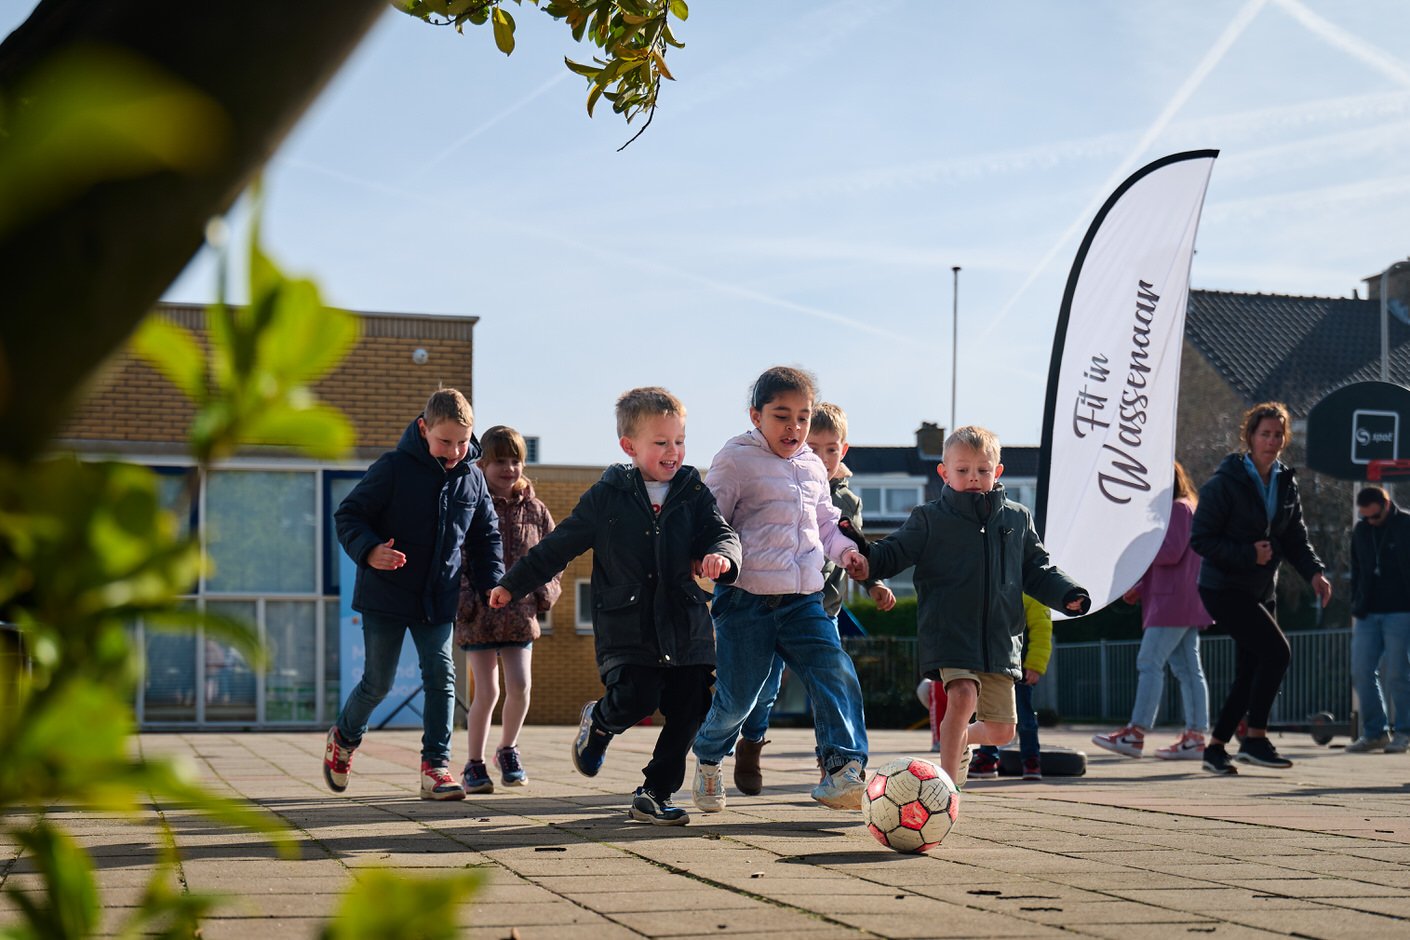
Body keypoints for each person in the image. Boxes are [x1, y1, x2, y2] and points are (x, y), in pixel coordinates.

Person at [489, 387, 740, 826]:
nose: (673, 451)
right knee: (636, 698)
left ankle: (655, 793)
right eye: (661, 442)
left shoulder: (693, 492)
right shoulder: (607, 496)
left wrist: (723, 556)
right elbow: (558, 546)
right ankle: (601, 722)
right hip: (629, 627)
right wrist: (513, 584)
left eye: (679, 441)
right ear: (629, 446)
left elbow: (721, 533)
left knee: (691, 708)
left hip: (685, 624)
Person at [859, 425, 1090, 789]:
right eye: (963, 470)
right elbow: (893, 551)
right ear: (944, 472)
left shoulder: (1017, 518)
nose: (973, 477)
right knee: (962, 695)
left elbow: (1037, 569)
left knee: (1002, 732)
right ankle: (946, 791)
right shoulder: (930, 518)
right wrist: (864, 556)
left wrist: (1067, 593)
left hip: (1000, 640)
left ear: (997, 472)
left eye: (983, 470)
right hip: (950, 633)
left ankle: (961, 739)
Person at [691, 367, 872, 813]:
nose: (794, 428)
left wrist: (847, 552)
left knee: (835, 670)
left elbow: (826, 524)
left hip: (804, 600)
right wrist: (710, 556)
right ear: (756, 416)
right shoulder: (735, 459)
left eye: (803, 418)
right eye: (781, 416)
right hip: (745, 599)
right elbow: (709, 520)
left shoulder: (811, 465)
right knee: (740, 699)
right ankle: (710, 756)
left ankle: (843, 769)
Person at [324, 388, 504, 801]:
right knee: (378, 682)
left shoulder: (473, 478)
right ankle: (344, 739)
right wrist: (370, 550)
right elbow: (349, 515)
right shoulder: (393, 468)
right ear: (423, 429)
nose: (455, 451)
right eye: (445, 441)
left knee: (442, 676)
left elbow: (486, 537)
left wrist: (492, 582)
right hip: (386, 594)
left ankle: (435, 767)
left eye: (463, 442)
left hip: (437, 596)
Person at [732, 401, 896, 797]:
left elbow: (856, 547)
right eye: (814, 447)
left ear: (844, 450)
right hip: (775, 602)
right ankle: (751, 742)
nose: (823, 458)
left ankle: (835, 766)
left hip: (824, 607)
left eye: (831, 449)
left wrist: (872, 581)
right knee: (764, 687)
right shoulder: (783, 481)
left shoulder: (848, 502)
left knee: (832, 681)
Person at [1190, 401, 1332, 775]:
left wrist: (1314, 573)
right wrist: (1248, 553)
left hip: (1261, 589)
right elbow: (1201, 539)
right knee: (1277, 653)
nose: (1272, 441)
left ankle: (1216, 749)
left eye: (1278, 434)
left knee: (1251, 667)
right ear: (1250, 436)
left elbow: (1295, 537)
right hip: (1223, 588)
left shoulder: (1285, 482)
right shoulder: (1225, 483)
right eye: (1265, 433)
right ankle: (1254, 738)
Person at [455, 425, 561, 794]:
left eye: (515, 461)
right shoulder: (470, 504)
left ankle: (508, 749)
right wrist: (465, 600)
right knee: (487, 692)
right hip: (479, 615)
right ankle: (474, 763)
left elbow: (553, 555)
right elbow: (458, 557)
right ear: (482, 464)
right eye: (499, 461)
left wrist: (544, 592)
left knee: (520, 685)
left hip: (520, 614)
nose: (508, 469)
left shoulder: (535, 509)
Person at [1091, 461, 1213, 761]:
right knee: (1188, 670)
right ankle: (1195, 738)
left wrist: (1136, 550)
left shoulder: (1178, 509)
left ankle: (1136, 733)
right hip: (1182, 600)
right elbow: (1176, 556)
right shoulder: (1188, 508)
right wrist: (1141, 585)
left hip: (1171, 603)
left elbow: (1170, 552)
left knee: (1150, 662)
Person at [1345, 486, 1410, 754]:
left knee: (1398, 673)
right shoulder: (1361, 530)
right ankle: (1375, 733)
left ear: (1386, 505)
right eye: (1365, 516)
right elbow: (1356, 568)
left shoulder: (1406, 524)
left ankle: (1404, 731)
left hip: (1402, 611)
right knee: (1361, 672)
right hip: (1368, 612)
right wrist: (1355, 602)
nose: (1370, 521)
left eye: (1374, 516)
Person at [971, 595, 1051, 781]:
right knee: (989, 714)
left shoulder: (1032, 596)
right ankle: (988, 758)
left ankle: (1030, 760)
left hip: (1019, 668)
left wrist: (1035, 665)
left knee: (1024, 716)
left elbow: (1041, 630)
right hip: (993, 665)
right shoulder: (996, 590)